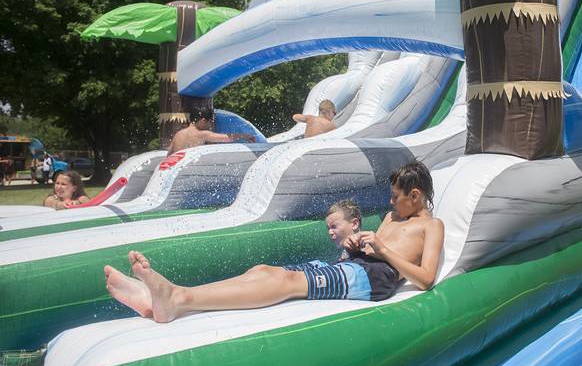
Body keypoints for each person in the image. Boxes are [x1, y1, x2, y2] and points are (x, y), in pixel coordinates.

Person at [104, 161, 444, 323]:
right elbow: (373, 248)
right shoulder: (393, 218)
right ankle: (165, 298)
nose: (390, 203)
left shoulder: (432, 227)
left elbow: (426, 278)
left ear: (415, 195)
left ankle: (177, 298)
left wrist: (382, 250)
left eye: (396, 198)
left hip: (375, 280)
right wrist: (360, 247)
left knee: (284, 282)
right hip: (355, 267)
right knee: (264, 270)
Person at [167, 108, 256, 155]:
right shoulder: (202, 134)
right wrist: (244, 136)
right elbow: (226, 138)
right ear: (203, 120)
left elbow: (169, 155)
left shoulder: (178, 134)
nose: (210, 126)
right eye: (210, 123)